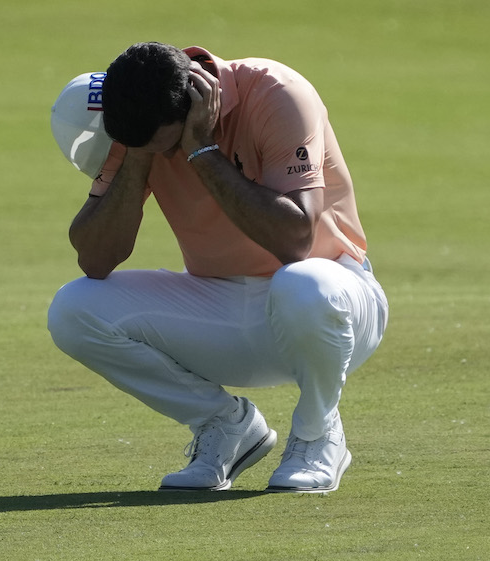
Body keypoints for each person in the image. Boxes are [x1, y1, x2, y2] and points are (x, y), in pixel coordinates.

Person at [47, 42, 388, 493]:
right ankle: (226, 426)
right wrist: (138, 157)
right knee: (73, 308)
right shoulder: (135, 121)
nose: (162, 157)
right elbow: (94, 258)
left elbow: (296, 241)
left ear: (192, 103)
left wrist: (201, 151)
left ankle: (318, 435)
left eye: (162, 145)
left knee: (303, 283)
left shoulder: (275, 92)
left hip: (333, 302)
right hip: (221, 307)